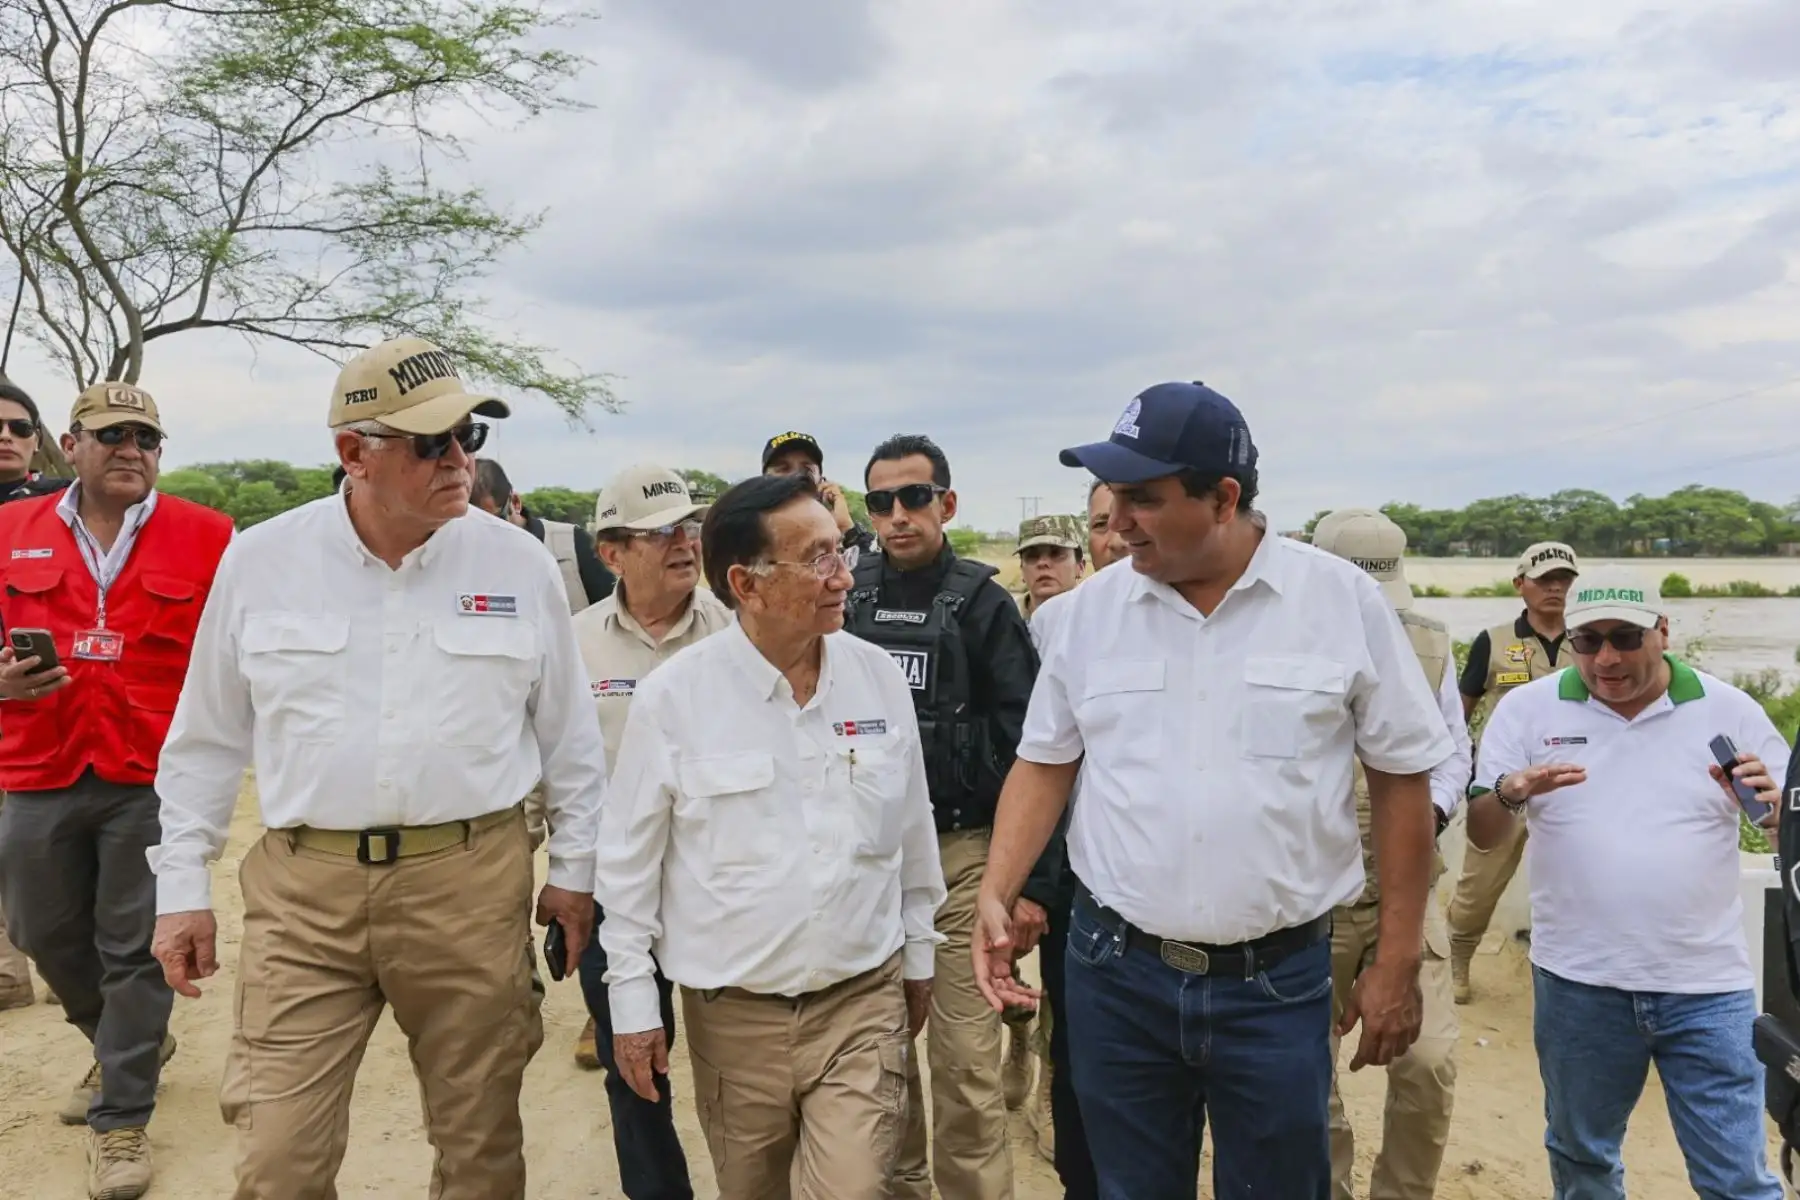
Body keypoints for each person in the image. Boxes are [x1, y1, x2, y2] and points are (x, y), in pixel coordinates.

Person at [149, 335, 606, 1200]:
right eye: (430, 444)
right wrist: (181, 887)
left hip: (469, 887)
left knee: (481, 1149)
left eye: (468, 437)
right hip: (303, 897)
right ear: (352, 454)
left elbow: (570, 740)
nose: (459, 461)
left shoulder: (516, 564)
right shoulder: (262, 560)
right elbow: (206, 739)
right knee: (277, 1157)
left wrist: (574, 873)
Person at [973, 381, 1453, 1200]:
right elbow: (1045, 762)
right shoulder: (1086, 616)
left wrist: (1398, 959)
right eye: (1114, 497)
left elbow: (1403, 780)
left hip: (1277, 983)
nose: (1117, 522)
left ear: (1224, 498)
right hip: (1116, 975)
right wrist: (998, 887)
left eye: (1143, 499)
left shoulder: (1339, 603)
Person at [596, 473, 946, 1200]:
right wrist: (633, 1007)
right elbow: (629, 866)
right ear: (745, 585)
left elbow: (913, 834)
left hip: (861, 1001)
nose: (844, 573)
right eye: (816, 558)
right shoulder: (676, 697)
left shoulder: (877, 679)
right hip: (736, 1019)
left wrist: (918, 957)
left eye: (840, 549)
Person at [1467, 567, 1784, 1199]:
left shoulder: (1728, 710)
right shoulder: (1529, 710)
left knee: (1736, 1176)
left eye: (1626, 637)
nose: (1606, 658)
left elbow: (1784, 834)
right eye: (1588, 640)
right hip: (1580, 986)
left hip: (1706, 987)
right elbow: (1482, 835)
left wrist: (1777, 815)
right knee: (1583, 1158)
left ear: (1663, 631)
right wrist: (1511, 791)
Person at [0, 381, 232, 1199]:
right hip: (37, 763)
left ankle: (122, 1120)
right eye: (113, 434)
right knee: (36, 928)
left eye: (147, 437)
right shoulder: (7, 530)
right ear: (73, 444)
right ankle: (124, 1041)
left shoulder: (210, 537)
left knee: (132, 948)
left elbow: (240, 657)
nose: (132, 448)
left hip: (154, 776)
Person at [846, 433, 1048, 1200]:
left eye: (914, 498)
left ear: (946, 504)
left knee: (964, 1062)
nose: (897, 515)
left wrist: (1031, 885)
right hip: (871, 863)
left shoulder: (986, 607)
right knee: (881, 1059)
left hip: (966, 857)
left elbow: (1039, 754)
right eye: (881, 501)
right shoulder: (847, 600)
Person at [570, 463, 732, 1200]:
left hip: (721, 887)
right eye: (659, 531)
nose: (682, 543)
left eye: (688, 527)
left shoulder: (735, 630)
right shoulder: (574, 646)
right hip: (618, 894)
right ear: (611, 552)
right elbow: (558, 773)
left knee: (743, 1063)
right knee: (634, 1061)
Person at [1312, 508, 1471, 1200]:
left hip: (1408, 887)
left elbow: (1452, 752)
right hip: (1313, 895)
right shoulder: (1274, 644)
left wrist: (1419, 819)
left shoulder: (1430, 642)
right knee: (1305, 1079)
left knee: (1430, 1063)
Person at [471, 454, 616, 1066]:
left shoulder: (568, 548)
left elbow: (617, 620)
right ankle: (508, 975)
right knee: (497, 864)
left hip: (569, 722)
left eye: (489, 517)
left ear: (515, 505)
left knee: (586, 866)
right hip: (503, 741)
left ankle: (597, 1009)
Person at [1448, 540, 1579, 1003]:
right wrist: (1458, 773)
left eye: (1564, 580)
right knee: (1480, 881)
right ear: (1520, 585)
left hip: (1571, 783)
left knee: (1581, 879)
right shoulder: (1494, 640)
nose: (1555, 589)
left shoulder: (1590, 636)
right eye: (1545, 580)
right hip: (1505, 786)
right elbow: (1457, 714)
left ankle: (1571, 974)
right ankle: (1458, 956)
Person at [0, 381, 68, 1011]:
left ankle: (72, 974)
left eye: (22, 428)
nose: (7, 437)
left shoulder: (68, 506)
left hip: (58, 720)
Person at [471, 455, 615, 611]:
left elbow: (612, 615)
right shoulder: (463, 560)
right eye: (472, 526)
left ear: (515, 502)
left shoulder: (572, 544)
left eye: (495, 523)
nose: (486, 536)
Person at [762, 429, 876, 555]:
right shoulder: (746, 533)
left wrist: (848, 529)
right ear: (763, 481)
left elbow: (873, 569)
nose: (796, 477)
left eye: (806, 469)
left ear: (822, 482)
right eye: (783, 469)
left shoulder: (831, 543)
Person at [1014, 514, 1084, 620]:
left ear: (1080, 567)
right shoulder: (1006, 618)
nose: (1042, 563)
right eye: (1032, 556)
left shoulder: (1097, 615)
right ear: (1022, 570)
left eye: (1056, 554)